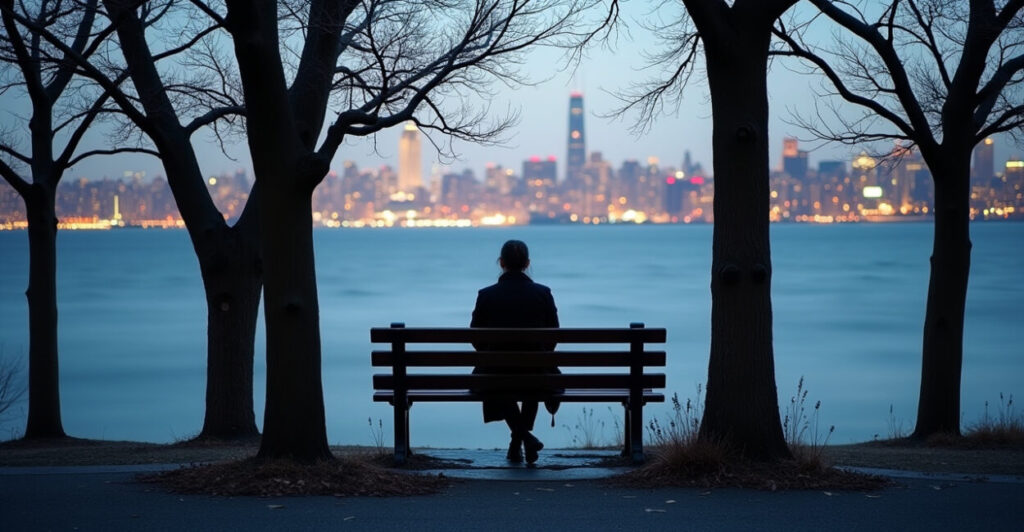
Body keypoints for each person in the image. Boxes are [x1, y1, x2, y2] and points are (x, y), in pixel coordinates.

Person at [471, 239, 559, 464]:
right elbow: (554, 335)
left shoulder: (486, 295)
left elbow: (475, 336)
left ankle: (519, 441)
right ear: (527, 263)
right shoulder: (543, 293)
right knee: (534, 375)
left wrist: (492, 354)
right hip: (536, 372)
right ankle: (521, 441)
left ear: (501, 263)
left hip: (495, 374)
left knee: (497, 377)